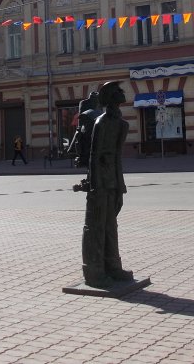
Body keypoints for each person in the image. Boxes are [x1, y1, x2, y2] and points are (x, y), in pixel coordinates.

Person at [81, 80, 133, 288]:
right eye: (118, 90)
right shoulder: (101, 123)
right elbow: (94, 156)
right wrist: (94, 185)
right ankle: (94, 272)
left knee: (111, 225)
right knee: (96, 226)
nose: (122, 92)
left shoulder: (121, 124)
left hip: (112, 181)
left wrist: (121, 187)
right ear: (111, 97)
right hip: (100, 182)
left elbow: (118, 158)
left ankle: (113, 267)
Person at [67, 91, 102, 168]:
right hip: (86, 127)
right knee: (80, 140)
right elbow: (81, 121)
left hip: (94, 128)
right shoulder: (84, 103)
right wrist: (79, 131)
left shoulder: (99, 105)